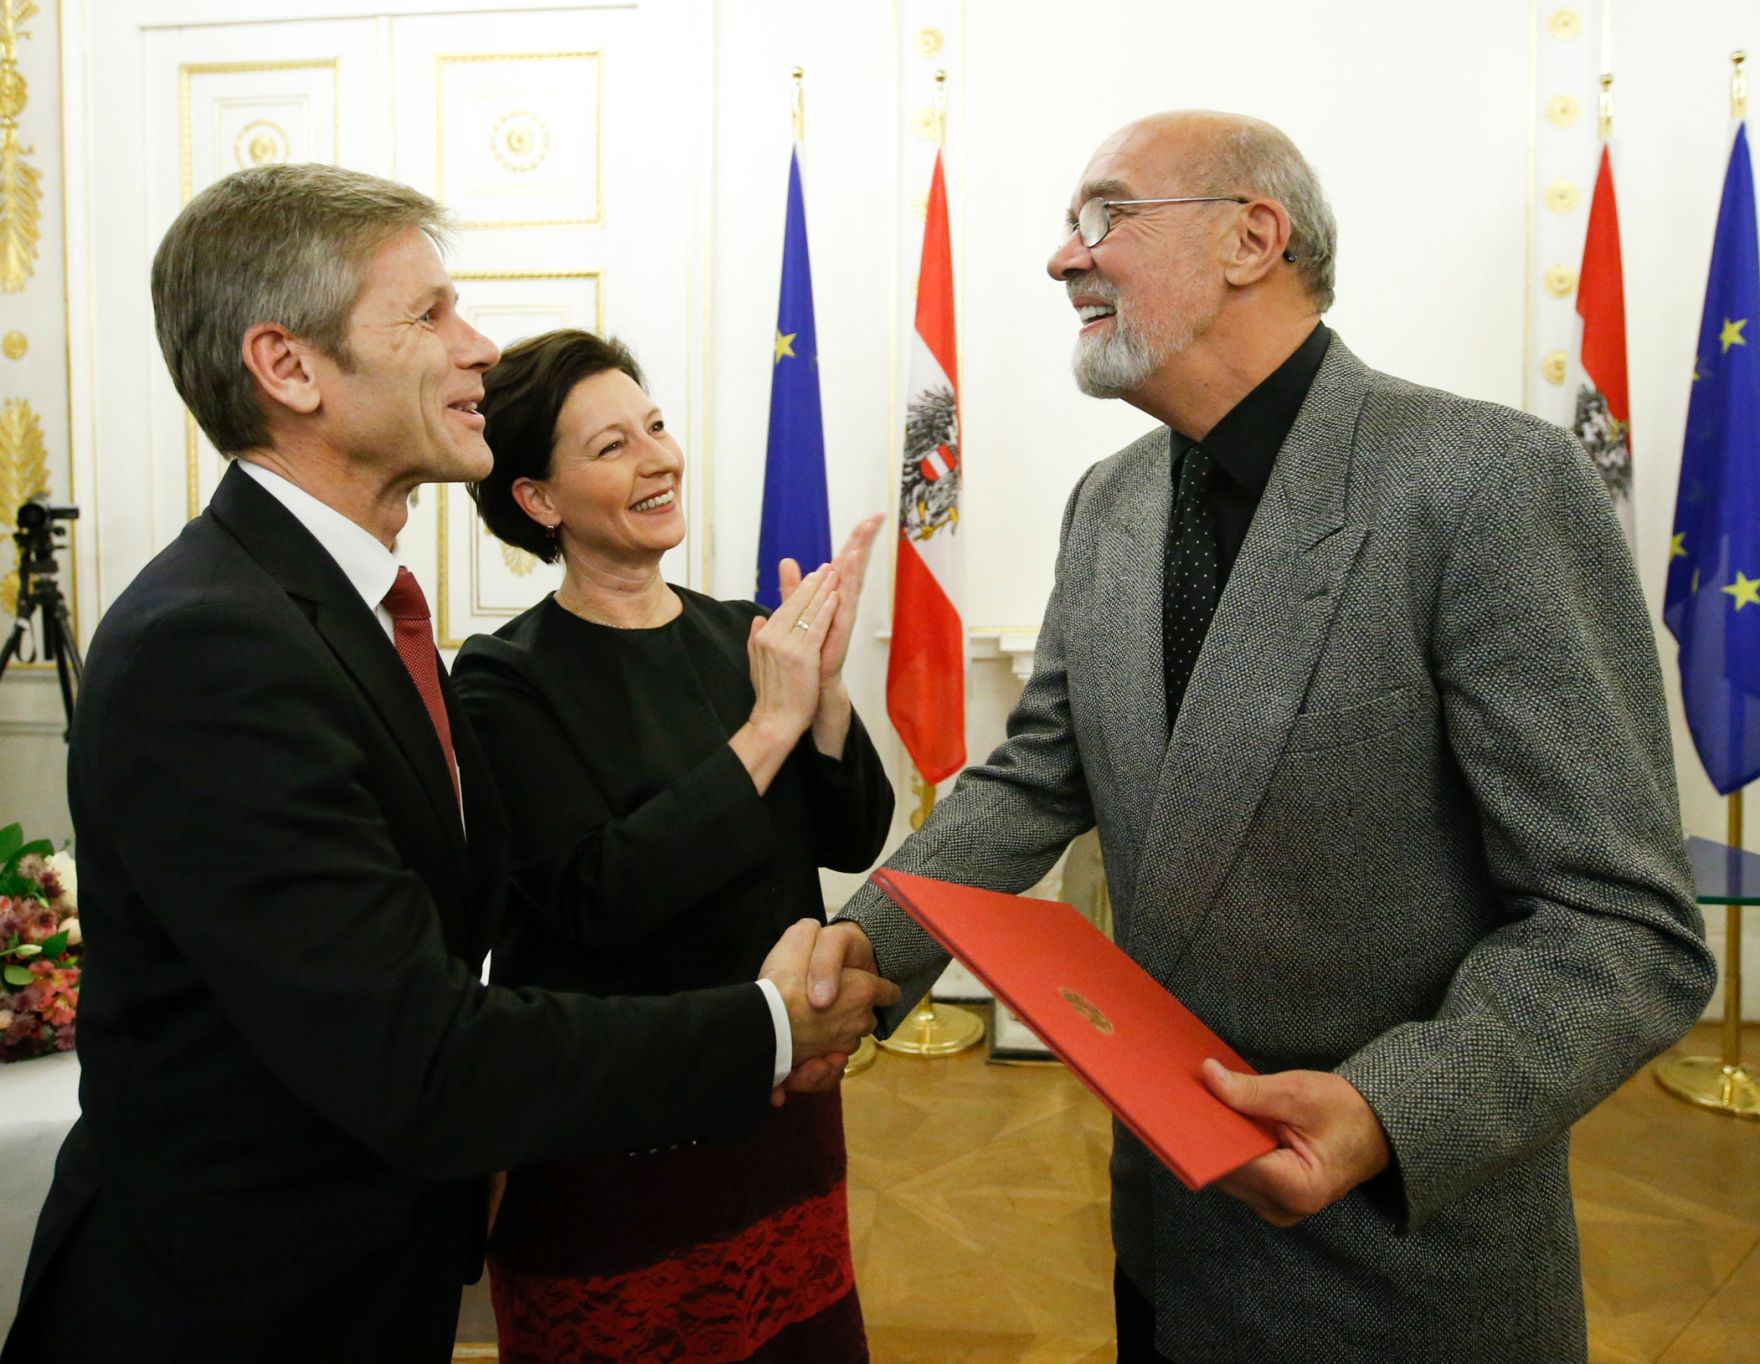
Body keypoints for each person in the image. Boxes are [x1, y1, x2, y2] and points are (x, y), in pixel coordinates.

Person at [810, 111, 1718, 1362]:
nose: (1060, 259)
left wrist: (1385, 1111)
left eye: (1101, 216)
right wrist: (868, 941)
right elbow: (1034, 776)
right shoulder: (1111, 502)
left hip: (1402, 1266)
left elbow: (1623, 925)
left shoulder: (1484, 484)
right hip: (1166, 1245)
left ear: (1251, 237)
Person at [0, 164, 895, 1363]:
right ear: (291, 367)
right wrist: (770, 1026)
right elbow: (421, 1045)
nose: (477, 349)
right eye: (428, 315)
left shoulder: (345, 611)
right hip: (238, 1308)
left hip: (377, 1266)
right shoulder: (212, 643)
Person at [450, 328, 892, 1362]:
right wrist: (770, 725)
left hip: (776, 1113)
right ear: (539, 500)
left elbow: (852, 830)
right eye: (610, 446)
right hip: (618, 1136)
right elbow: (599, 893)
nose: (658, 457)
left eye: (653, 425)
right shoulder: (501, 677)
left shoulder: (738, 631)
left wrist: (821, 695)